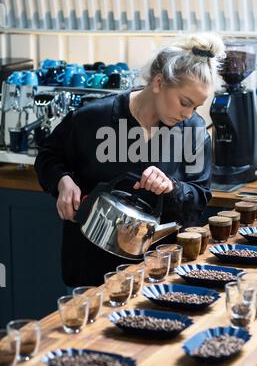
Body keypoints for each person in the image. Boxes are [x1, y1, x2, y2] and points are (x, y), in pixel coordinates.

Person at [34, 32, 225, 287]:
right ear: (159, 83)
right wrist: (62, 181)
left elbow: (199, 198)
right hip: (91, 268)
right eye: (184, 102)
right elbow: (48, 155)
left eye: (196, 107)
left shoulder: (193, 131)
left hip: (158, 269)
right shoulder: (92, 118)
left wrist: (172, 187)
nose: (188, 114)